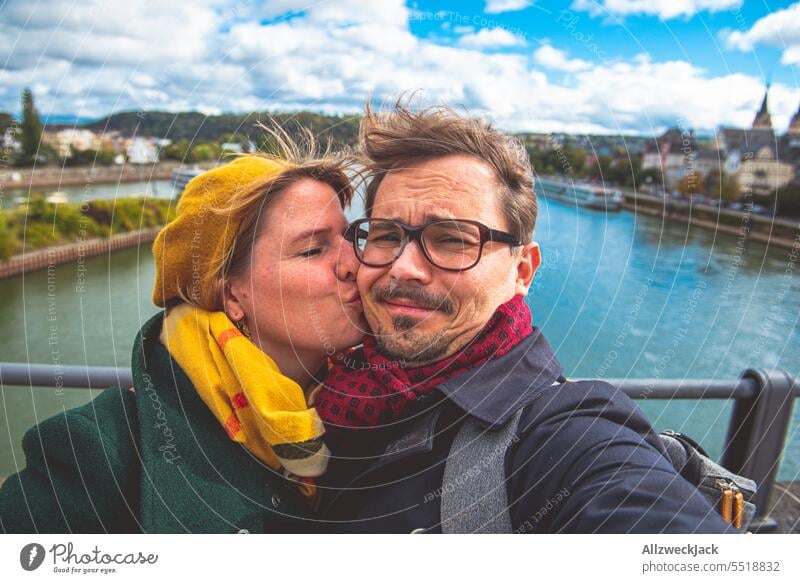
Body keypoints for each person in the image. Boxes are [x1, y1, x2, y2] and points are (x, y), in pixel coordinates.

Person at [314, 102, 742, 534]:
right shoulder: (315, 391)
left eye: (452, 240)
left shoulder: (563, 438)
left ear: (522, 271)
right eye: (387, 235)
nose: (404, 267)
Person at [0, 138, 367, 533]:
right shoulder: (101, 449)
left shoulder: (375, 406)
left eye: (352, 237)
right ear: (231, 294)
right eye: (313, 250)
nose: (355, 263)